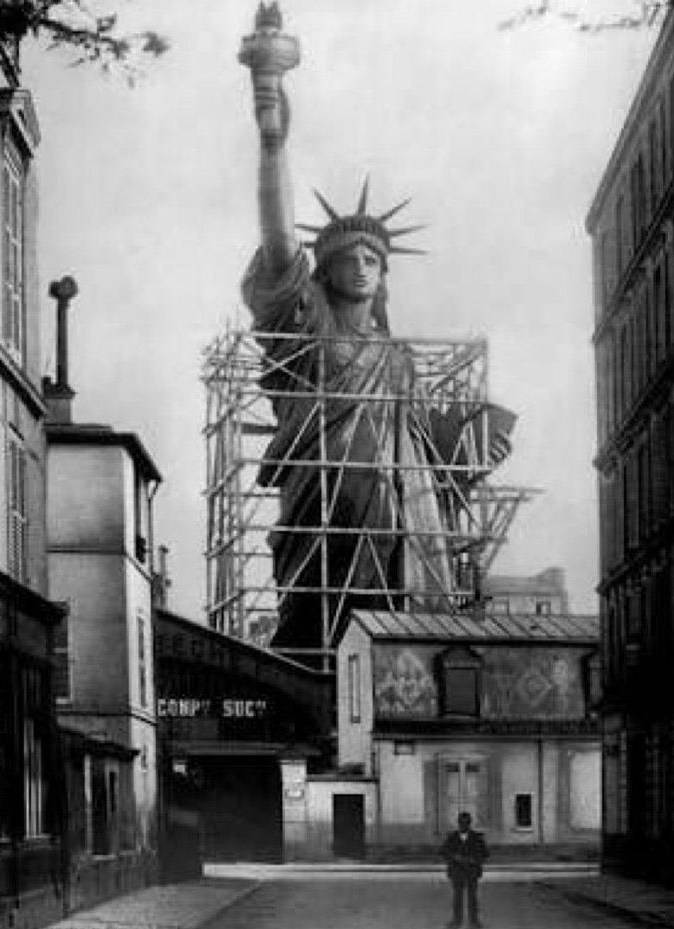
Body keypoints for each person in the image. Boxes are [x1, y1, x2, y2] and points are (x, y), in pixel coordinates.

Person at [238, 4, 514, 647]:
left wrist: (471, 448)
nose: (360, 268)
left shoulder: (397, 357)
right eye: (345, 260)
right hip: (324, 496)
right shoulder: (304, 328)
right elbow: (278, 239)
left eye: (371, 260)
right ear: (322, 273)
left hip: (397, 509)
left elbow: (422, 445)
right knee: (316, 619)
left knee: (396, 620)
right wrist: (271, 127)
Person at [440, 811, 489, 928]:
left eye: (466, 823)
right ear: (458, 823)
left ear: (470, 824)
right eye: (461, 823)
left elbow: (485, 853)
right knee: (457, 897)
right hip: (457, 872)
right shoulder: (452, 837)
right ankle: (457, 921)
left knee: (472, 898)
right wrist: (454, 857)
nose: (464, 825)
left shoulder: (476, 838)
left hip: (472, 872)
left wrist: (474, 860)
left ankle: (474, 921)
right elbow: (443, 852)